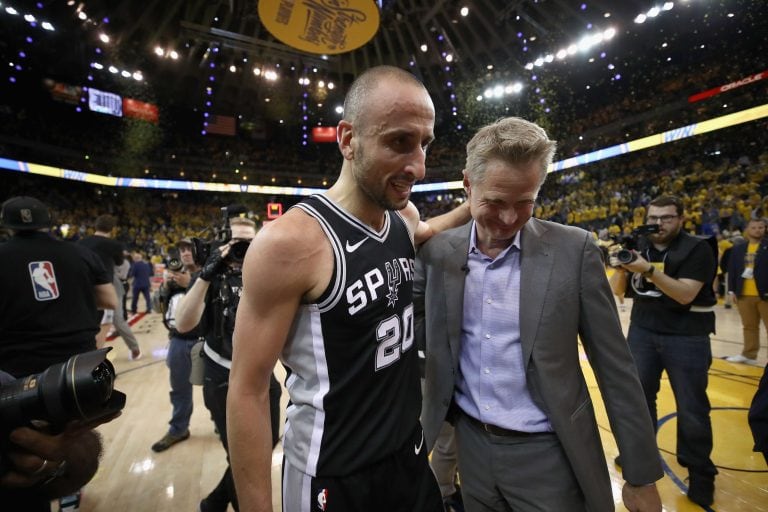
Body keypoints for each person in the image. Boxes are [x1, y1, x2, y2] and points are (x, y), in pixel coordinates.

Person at [227, 65, 470, 512]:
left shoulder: (403, 220)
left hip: (410, 455)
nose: (417, 164)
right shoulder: (290, 243)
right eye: (399, 141)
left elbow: (425, 231)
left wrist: (477, 205)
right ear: (347, 140)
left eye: (424, 145)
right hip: (334, 475)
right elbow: (247, 390)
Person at [416, 117, 662, 512]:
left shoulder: (574, 250)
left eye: (525, 203)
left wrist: (640, 474)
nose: (510, 218)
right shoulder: (438, 253)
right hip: (471, 448)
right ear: (467, 184)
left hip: (550, 451)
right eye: (495, 202)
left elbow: (616, 369)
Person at [0, 196, 119, 511]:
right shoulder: (80, 253)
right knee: (73, 437)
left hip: (16, 374)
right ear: (49, 222)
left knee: (20, 455)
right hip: (75, 370)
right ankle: (68, 489)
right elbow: (110, 299)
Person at [610, 194, 718, 507]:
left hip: (687, 335)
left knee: (692, 408)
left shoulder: (698, 247)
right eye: (654, 218)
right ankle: (641, 459)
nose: (658, 224)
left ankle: (700, 474)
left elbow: (685, 294)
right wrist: (622, 267)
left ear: (681, 218)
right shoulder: (639, 245)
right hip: (643, 330)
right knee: (639, 401)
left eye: (667, 217)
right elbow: (619, 292)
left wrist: (647, 270)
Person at [175, 216, 282, 512]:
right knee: (240, 457)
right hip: (220, 373)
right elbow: (184, 324)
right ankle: (223, 504)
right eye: (236, 243)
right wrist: (206, 275)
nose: (242, 249)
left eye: (249, 243)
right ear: (224, 243)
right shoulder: (210, 277)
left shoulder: (264, 273)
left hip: (260, 372)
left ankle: (214, 502)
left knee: (269, 439)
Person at [151, 239, 202, 452]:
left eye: (189, 249)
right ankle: (179, 429)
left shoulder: (207, 274)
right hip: (178, 341)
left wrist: (189, 284)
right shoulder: (172, 279)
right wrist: (164, 288)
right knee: (179, 389)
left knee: (216, 392)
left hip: (203, 341)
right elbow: (156, 308)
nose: (185, 253)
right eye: (182, 249)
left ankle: (223, 425)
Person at [79, 214, 142, 360]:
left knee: (91, 322)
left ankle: (87, 357)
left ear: (95, 226)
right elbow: (119, 263)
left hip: (86, 286)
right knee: (115, 320)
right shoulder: (114, 245)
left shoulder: (81, 243)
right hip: (108, 285)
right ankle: (134, 349)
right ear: (112, 229)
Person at [726, 217, 768, 365]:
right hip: (743, 294)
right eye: (754, 227)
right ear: (747, 230)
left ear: (765, 229)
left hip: (765, 294)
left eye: (761, 227)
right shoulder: (738, 249)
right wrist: (732, 291)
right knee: (749, 327)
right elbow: (733, 270)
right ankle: (749, 355)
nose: (757, 230)